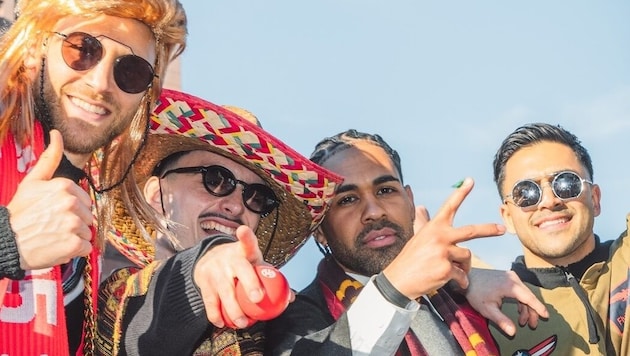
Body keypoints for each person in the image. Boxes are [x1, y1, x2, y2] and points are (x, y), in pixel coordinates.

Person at [0, 0, 186, 354]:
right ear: (34, 48)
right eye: (82, 50)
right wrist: (8, 242)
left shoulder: (89, 206)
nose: (100, 83)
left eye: (131, 71)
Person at [95, 89, 342, 355]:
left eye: (256, 197)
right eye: (215, 179)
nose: (236, 205)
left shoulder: (290, 314)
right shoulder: (101, 304)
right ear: (157, 195)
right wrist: (200, 265)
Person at [266, 129, 548, 355]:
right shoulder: (295, 318)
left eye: (386, 190)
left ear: (410, 202)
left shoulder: (467, 298)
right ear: (320, 229)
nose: (374, 212)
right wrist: (395, 290)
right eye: (348, 199)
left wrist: (465, 279)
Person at [488, 122, 629, 355]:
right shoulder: (488, 314)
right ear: (508, 217)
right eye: (526, 192)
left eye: (566, 183)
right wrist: (462, 282)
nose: (549, 201)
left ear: (595, 199)